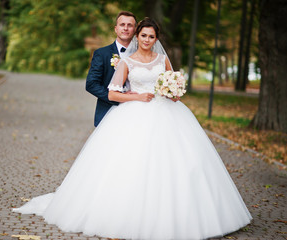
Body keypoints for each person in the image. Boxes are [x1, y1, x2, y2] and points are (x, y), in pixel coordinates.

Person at [13, 18, 252, 239]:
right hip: (135, 113)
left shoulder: (163, 60)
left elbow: (172, 86)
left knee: (180, 161)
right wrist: (137, 97)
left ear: (156, 39)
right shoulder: (127, 61)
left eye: (151, 36)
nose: (147, 40)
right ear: (137, 36)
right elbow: (113, 92)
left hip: (169, 115)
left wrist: (173, 92)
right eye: (144, 35)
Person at [86, 11, 136, 127]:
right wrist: (118, 98)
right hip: (109, 110)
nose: (125, 28)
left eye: (130, 25)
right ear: (116, 29)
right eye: (122, 24)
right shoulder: (101, 54)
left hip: (137, 110)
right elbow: (91, 84)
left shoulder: (142, 55)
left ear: (135, 30)